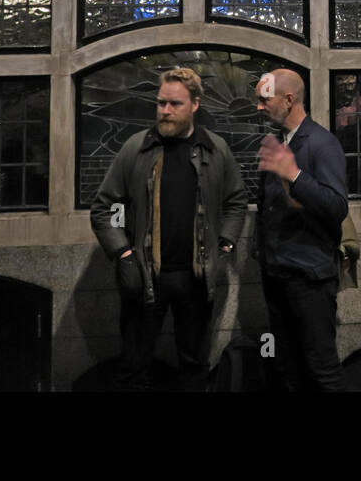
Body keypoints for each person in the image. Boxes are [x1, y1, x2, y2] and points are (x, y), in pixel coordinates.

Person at [91, 66, 247, 391]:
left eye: (174, 104)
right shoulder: (137, 148)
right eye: (161, 103)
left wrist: (226, 244)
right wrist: (124, 253)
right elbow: (101, 208)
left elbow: (236, 200)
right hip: (147, 278)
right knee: (135, 366)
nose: (165, 111)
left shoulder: (215, 149)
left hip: (196, 278)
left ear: (195, 105)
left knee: (194, 365)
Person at [254, 68, 349, 391]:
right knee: (288, 368)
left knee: (322, 370)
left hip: (309, 278)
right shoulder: (280, 143)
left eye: (264, 99)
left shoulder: (323, 144)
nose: (258, 106)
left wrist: (294, 175)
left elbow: (336, 207)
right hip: (278, 273)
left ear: (289, 99)